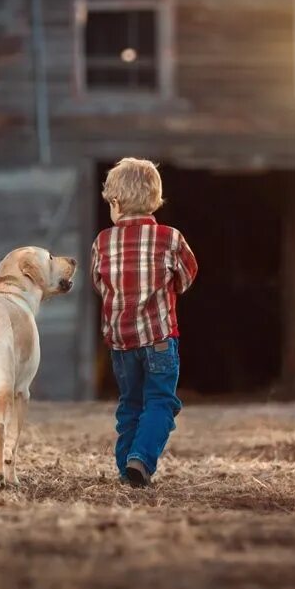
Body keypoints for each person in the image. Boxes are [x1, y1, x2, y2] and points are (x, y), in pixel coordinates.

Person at [90, 158, 198, 487]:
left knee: (130, 405)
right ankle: (141, 459)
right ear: (154, 199)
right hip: (160, 339)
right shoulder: (171, 238)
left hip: (121, 344)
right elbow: (187, 275)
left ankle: (127, 469)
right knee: (161, 402)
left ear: (116, 203)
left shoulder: (103, 241)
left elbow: (99, 283)